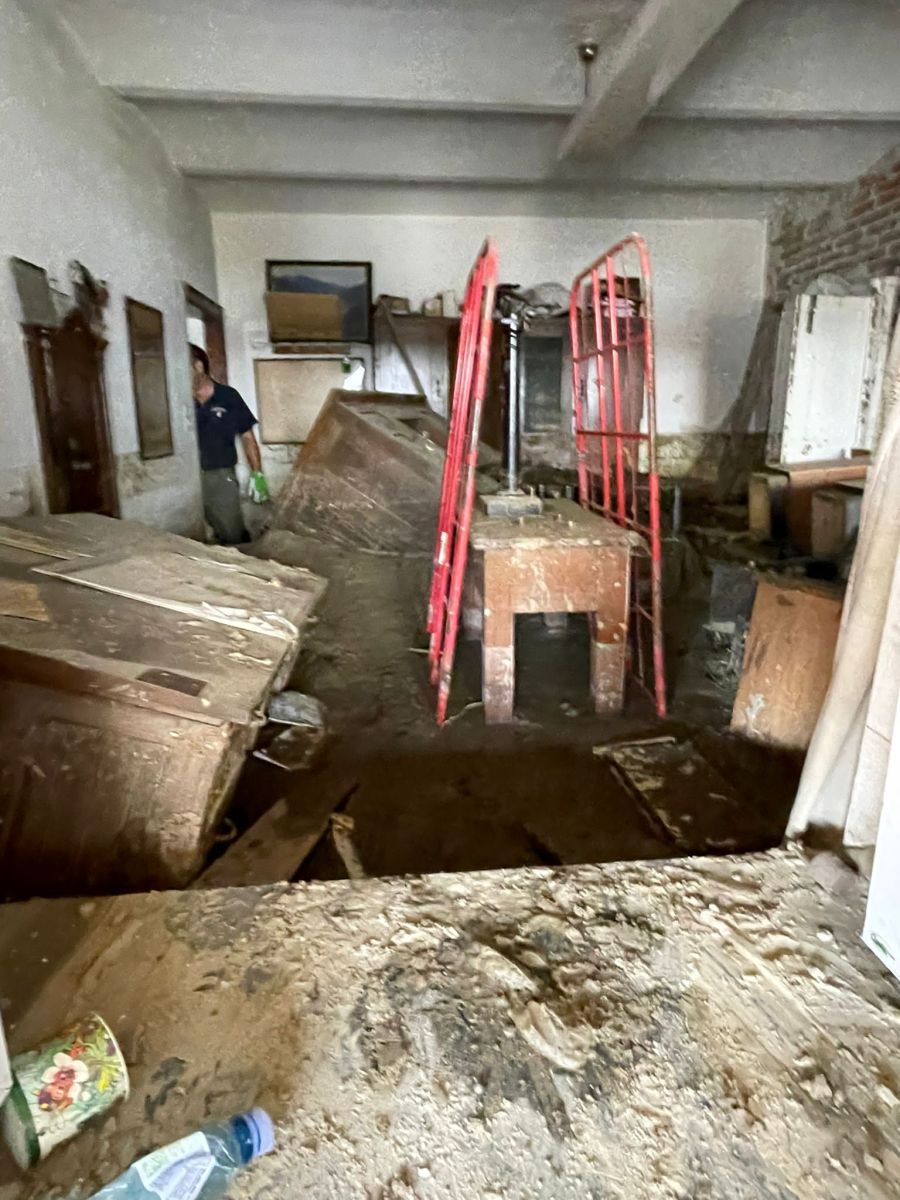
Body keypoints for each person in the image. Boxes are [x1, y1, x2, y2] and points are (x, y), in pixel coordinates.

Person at [190, 344, 269, 544]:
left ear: (199, 366)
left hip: (219, 475)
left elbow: (247, 437)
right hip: (184, 477)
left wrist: (257, 474)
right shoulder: (177, 400)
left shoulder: (228, 397)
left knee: (231, 532)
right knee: (187, 534)